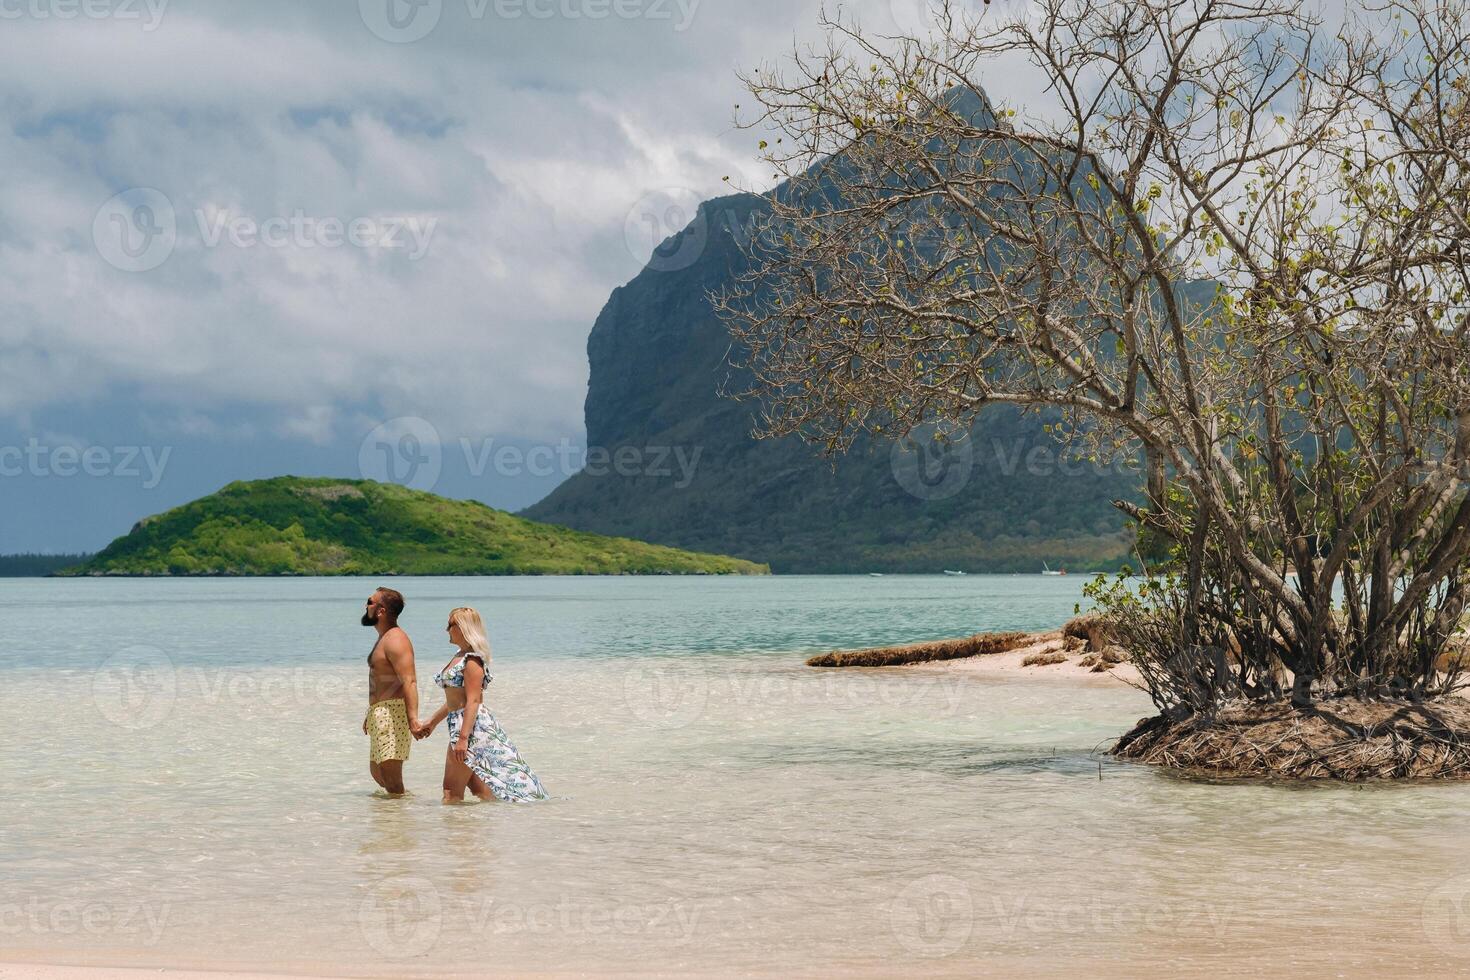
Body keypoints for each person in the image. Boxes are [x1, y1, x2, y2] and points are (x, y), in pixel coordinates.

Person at [415, 607, 548, 804]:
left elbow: (473, 701)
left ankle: (457, 834)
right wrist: (432, 722)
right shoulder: (459, 656)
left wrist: (463, 738)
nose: (446, 629)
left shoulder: (472, 660)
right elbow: (455, 700)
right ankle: (482, 830)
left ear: (462, 628)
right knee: (480, 789)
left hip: (470, 728)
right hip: (461, 724)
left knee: (451, 792)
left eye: (450, 625)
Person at [362, 587, 421, 796]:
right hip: (381, 712)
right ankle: (392, 820)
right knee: (378, 773)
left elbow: (409, 680)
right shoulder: (384, 638)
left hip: (392, 713)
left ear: (381, 610)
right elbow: (384, 680)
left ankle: (400, 826)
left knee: (392, 779)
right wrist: (371, 712)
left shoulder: (396, 639)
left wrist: (413, 718)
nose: (365, 605)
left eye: (370, 601)